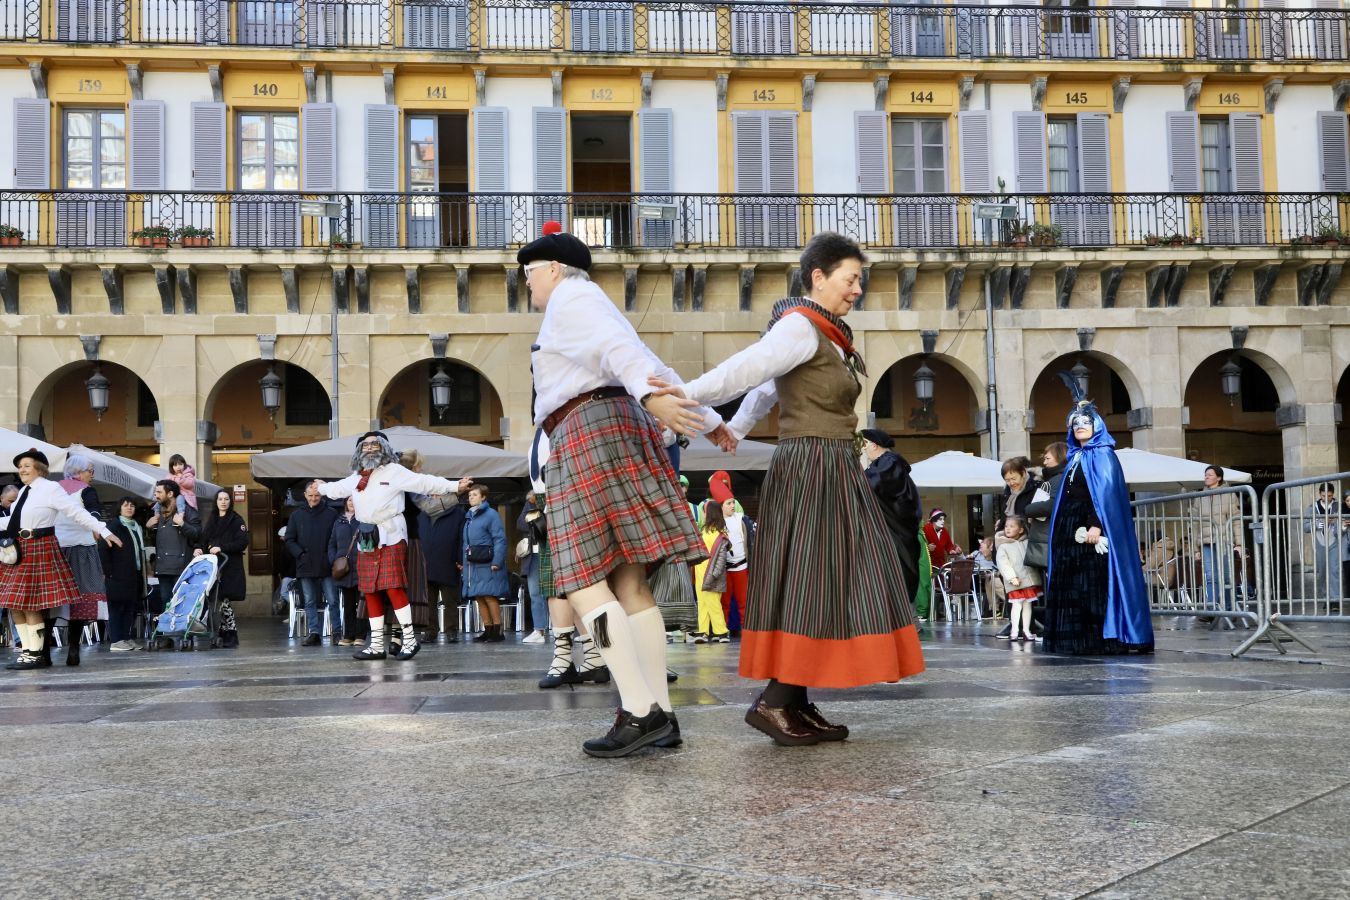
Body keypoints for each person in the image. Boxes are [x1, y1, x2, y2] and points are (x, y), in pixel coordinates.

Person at [658, 231, 926, 745]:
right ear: (818, 277)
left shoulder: (823, 333)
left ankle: (795, 699)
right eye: (851, 280)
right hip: (814, 465)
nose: (857, 291)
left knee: (823, 576)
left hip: (827, 463)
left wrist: (733, 430)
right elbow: (749, 369)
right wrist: (684, 397)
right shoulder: (801, 326)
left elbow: (764, 388)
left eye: (860, 282)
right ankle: (777, 700)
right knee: (819, 575)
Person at [522, 221, 731, 756]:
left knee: (580, 579)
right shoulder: (591, 300)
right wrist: (706, 419)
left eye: (529, 275)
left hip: (585, 430)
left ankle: (638, 712)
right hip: (618, 426)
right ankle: (660, 713)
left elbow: (627, 356)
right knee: (629, 583)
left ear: (551, 268)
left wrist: (652, 394)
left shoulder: (570, 296)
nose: (528, 285)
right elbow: (649, 362)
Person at [311, 431, 468, 661]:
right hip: (367, 536)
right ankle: (375, 644)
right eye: (366, 445)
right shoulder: (357, 477)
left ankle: (409, 640)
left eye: (375, 445)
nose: (370, 448)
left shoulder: (394, 471)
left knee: (393, 587)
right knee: (370, 590)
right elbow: (338, 489)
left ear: (384, 448)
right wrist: (322, 487)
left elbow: (424, 482)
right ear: (358, 451)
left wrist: (455, 486)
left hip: (392, 535)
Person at [1041, 382, 1154, 655]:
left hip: (1089, 529)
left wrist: (1095, 523)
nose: (1079, 426)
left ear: (1096, 425)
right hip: (1068, 530)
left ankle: (1098, 638)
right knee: (1070, 582)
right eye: (1075, 423)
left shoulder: (1103, 455)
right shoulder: (1074, 457)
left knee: (1090, 582)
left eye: (1085, 422)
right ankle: (1071, 639)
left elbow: (1104, 496)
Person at [2, 448, 122, 670]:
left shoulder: (51, 488)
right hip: (20, 549)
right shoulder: (23, 492)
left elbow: (77, 512)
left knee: (30, 604)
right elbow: (12, 522)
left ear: (40, 468)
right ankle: (28, 652)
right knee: (14, 604)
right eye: (20, 467)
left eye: (27, 465)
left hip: (40, 546)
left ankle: (36, 655)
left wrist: (104, 531)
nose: (22, 470)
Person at [860, 428, 924, 611]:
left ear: (874, 444)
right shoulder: (884, 464)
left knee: (896, 576)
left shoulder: (889, 462)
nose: (864, 449)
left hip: (896, 534)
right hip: (894, 533)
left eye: (865, 444)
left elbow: (872, 483)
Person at [53, 454, 108, 666]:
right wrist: (97, 528)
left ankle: (45, 652)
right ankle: (73, 649)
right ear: (78, 472)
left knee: (52, 598)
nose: (91, 476)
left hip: (55, 549)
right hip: (81, 550)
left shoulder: (55, 487)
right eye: (90, 471)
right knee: (81, 597)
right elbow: (94, 510)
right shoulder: (87, 490)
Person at [286, 482, 341, 647]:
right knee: (309, 601)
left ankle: (337, 632)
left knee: (333, 600)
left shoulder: (331, 514)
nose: (314, 498)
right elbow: (289, 539)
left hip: (327, 563)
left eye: (316, 495)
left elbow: (336, 538)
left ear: (321, 495)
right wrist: (301, 554)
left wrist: (331, 557)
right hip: (305, 563)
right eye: (310, 495)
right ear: (305, 495)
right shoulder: (296, 515)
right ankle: (314, 633)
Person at [196, 488, 248, 649]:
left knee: (224, 600)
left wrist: (221, 547)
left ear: (230, 501)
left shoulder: (236, 520)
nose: (223, 502)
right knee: (218, 601)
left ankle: (230, 633)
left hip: (229, 566)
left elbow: (242, 542)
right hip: (213, 567)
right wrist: (198, 548)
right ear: (216, 502)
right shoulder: (212, 519)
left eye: (226, 499)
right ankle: (224, 633)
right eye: (220, 499)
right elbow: (204, 538)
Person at [147, 480, 201, 631]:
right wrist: (150, 528)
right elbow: (157, 541)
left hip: (182, 567)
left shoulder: (187, 511)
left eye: (159, 492)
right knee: (166, 602)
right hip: (163, 567)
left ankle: (183, 633)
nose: (155, 495)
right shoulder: (157, 513)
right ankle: (167, 634)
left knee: (183, 602)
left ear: (170, 494)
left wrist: (183, 524)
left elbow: (197, 534)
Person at [420, 484, 469, 644]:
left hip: (449, 562)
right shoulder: (422, 514)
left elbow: (462, 539)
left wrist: (460, 560)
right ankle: (430, 631)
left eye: (438, 495)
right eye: (431, 495)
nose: (434, 498)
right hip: (426, 563)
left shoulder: (458, 513)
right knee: (428, 601)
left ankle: (451, 631)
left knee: (450, 600)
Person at [1194, 465, 1245, 617]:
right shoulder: (1199, 497)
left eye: (1210, 474)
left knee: (1227, 576)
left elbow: (1235, 520)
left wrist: (1239, 543)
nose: (1206, 477)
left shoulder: (1229, 494)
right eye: (1205, 474)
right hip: (1206, 542)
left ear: (1219, 477)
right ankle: (1212, 610)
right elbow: (1194, 523)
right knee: (1210, 576)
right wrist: (1195, 549)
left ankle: (1230, 609)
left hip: (1224, 540)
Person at [708, 472, 755, 634]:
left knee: (744, 601)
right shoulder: (716, 524)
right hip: (725, 569)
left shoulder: (742, 519)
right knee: (724, 602)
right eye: (729, 503)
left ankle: (746, 630)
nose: (732, 506)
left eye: (733, 502)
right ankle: (722, 630)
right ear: (721, 505)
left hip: (742, 566)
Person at [463, 484, 509, 642]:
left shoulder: (491, 515)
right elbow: (465, 543)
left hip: (488, 562)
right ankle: (488, 630)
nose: (471, 498)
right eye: (469, 495)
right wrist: (464, 563)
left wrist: (497, 561)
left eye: (474, 495)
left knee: (489, 596)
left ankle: (498, 631)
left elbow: (500, 539)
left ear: (483, 497)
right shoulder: (469, 516)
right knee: (479, 597)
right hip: (474, 563)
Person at [103, 496, 147, 651]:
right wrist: (108, 571)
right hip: (117, 574)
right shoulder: (114, 526)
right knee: (117, 607)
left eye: (132, 505)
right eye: (126, 505)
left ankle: (126, 638)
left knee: (130, 607)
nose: (129, 508)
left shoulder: (136, 526)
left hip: (133, 573)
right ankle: (116, 640)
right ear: (119, 508)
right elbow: (103, 548)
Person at [690, 499, 732, 644]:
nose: (702, 514)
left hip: (712, 574)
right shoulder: (703, 530)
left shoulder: (721, 533)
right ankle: (703, 631)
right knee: (702, 603)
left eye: (703, 511)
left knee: (713, 603)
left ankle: (721, 632)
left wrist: (714, 574)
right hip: (701, 572)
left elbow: (721, 557)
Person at [996, 516, 1041, 642]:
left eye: (1012, 526)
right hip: (1016, 581)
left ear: (1020, 530)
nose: (1008, 529)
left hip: (1027, 581)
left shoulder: (1026, 543)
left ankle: (1026, 631)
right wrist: (1011, 577)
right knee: (1016, 605)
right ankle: (1014, 630)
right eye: (1006, 526)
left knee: (1028, 605)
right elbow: (1003, 564)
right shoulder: (1003, 546)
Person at [329, 497, 366, 646]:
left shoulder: (364, 519)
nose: (352, 502)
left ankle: (361, 635)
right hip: (344, 570)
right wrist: (334, 559)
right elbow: (331, 543)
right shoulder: (339, 522)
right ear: (345, 502)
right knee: (348, 605)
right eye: (349, 500)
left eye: (354, 500)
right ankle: (348, 635)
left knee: (362, 605)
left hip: (361, 568)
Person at [1304, 482, 1342, 603]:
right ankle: (1326, 599)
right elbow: (1305, 527)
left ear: (1333, 494)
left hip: (1334, 541)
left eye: (1329, 496)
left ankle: (1335, 600)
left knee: (1334, 571)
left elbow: (1345, 522)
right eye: (1324, 495)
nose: (1326, 498)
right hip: (1319, 543)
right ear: (1320, 494)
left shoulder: (1339, 506)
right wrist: (1318, 524)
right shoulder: (1312, 507)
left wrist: (1338, 524)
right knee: (1322, 572)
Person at [518, 492, 547, 643]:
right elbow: (521, 523)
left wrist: (535, 519)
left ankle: (561, 629)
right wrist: (533, 508)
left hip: (552, 553)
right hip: (533, 556)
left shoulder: (555, 496)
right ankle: (539, 630)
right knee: (535, 594)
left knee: (558, 595)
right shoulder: (530, 501)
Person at [997, 456, 1041, 532]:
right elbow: (1004, 518)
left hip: (1029, 538)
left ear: (1023, 474)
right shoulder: (1007, 492)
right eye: (1007, 480)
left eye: (1013, 479)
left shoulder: (1037, 488)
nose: (1011, 483)